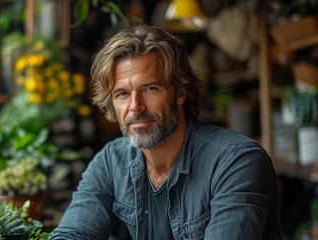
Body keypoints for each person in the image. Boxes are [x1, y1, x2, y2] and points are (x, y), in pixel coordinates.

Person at [50, 24, 282, 240]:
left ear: (179, 93)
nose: (135, 107)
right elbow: (71, 234)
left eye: (150, 89)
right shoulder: (111, 161)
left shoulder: (236, 161)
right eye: (122, 94)